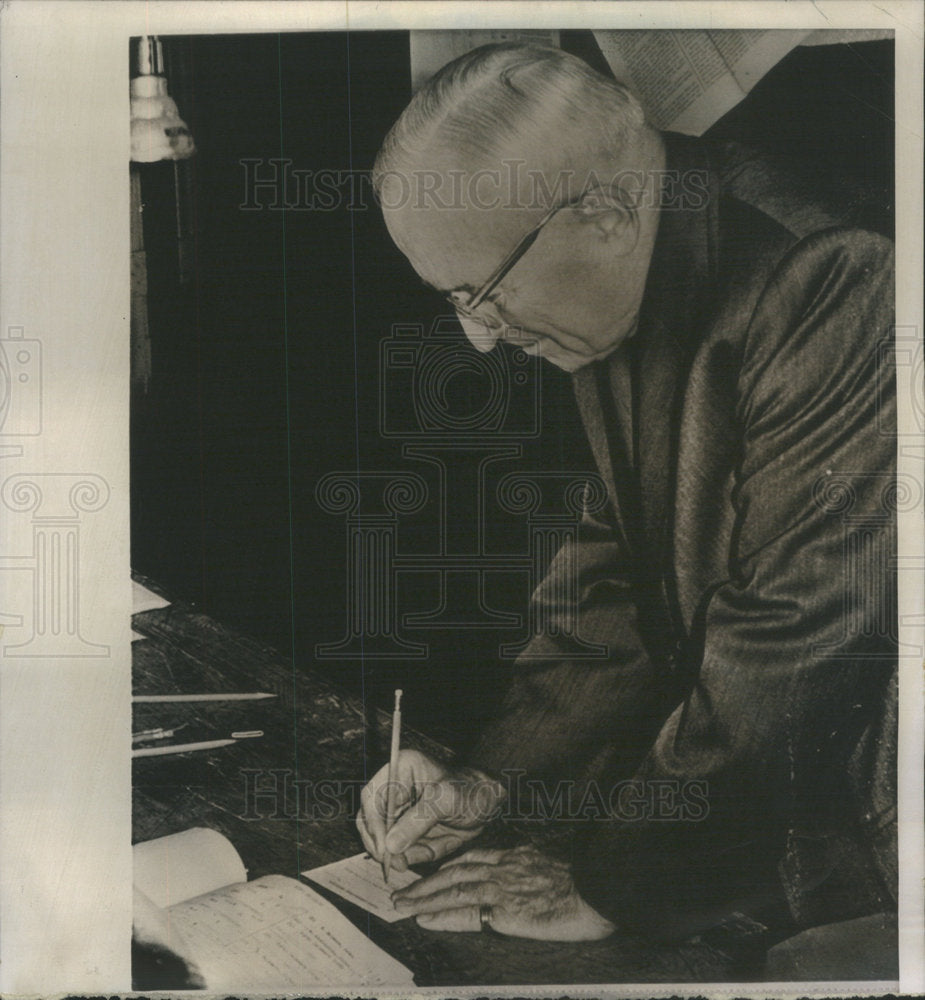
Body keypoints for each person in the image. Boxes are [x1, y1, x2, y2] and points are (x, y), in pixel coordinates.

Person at [357, 43, 897, 947]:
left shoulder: (831, 271)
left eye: (483, 293)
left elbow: (799, 636)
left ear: (602, 212)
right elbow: (626, 568)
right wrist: (495, 778)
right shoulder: (627, 265)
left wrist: (614, 887)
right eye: (453, 302)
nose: (481, 340)